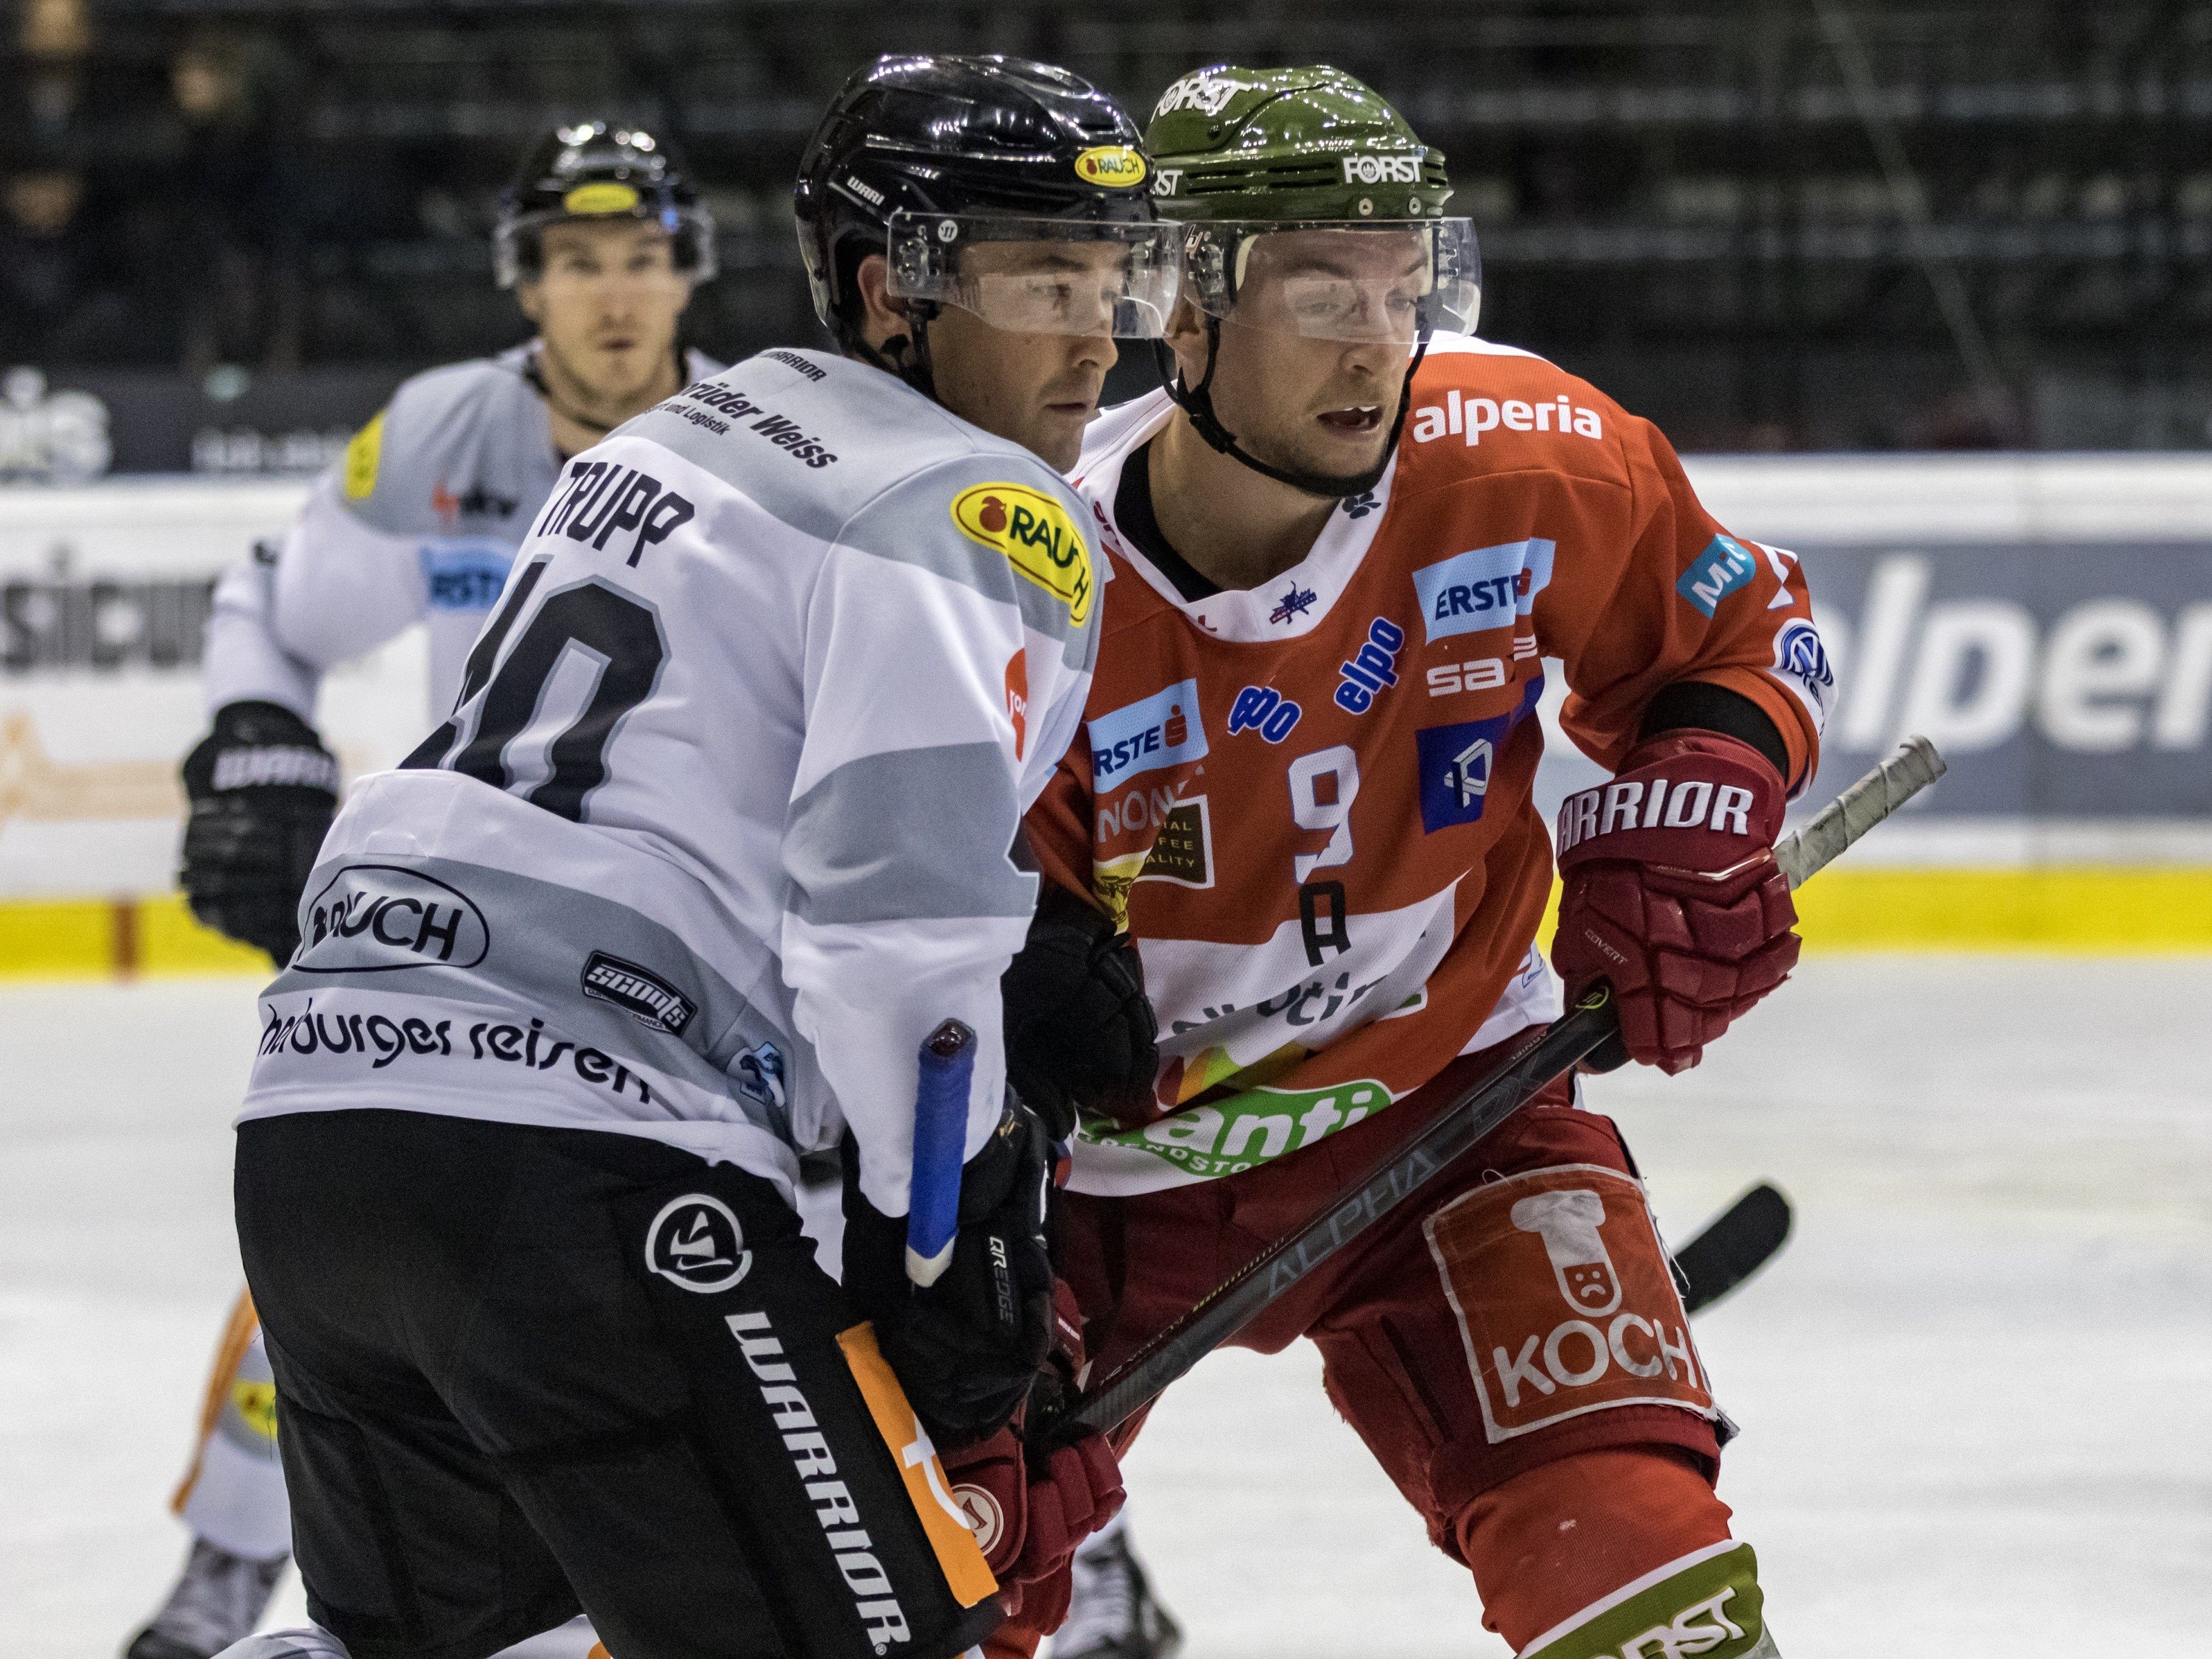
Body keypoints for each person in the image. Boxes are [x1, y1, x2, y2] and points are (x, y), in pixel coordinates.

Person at [214, 53, 1170, 1659]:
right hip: (573, 1167)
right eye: (1039, 279)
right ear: (889, 290)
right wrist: (941, 1239)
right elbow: (893, 934)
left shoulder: (675, 436)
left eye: (1110, 279)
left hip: (320, 1120)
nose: (1096, 336)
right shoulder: (977, 503)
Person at [997, 66, 1828, 1659]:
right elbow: (878, 947)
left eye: (1405, 283)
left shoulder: (1525, 454)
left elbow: (1735, 632)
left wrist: (1710, 786)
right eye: (1321, 291)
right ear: (1184, 309)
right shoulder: (1015, 577)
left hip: (1449, 1104)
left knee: (1641, 1568)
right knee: (871, 1593)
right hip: (1064, 1194)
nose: (1380, 339)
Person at [134, 120, 724, 1659]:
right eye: (578, 261)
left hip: (678, 943)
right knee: (358, 1264)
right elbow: (273, 600)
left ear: (686, 275)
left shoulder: (750, 444)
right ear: (526, 281)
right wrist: (259, 740)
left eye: (642, 260)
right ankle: (228, 1560)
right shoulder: (443, 436)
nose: (613, 296)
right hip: (461, 932)